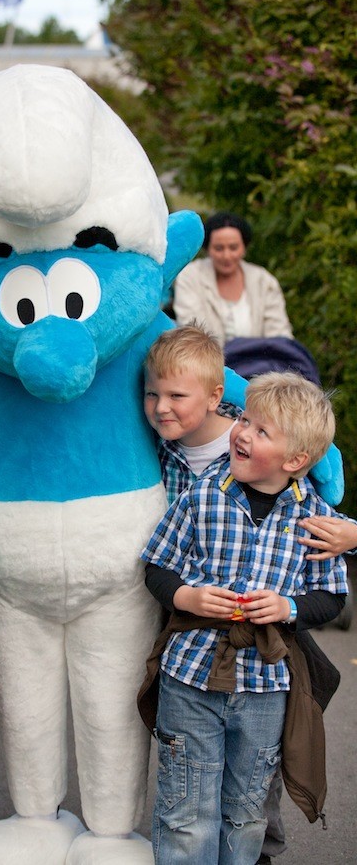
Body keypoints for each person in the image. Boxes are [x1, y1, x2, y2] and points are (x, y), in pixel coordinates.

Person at [140, 370, 348, 865]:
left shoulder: (314, 520)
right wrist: (186, 597)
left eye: (261, 430)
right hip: (190, 674)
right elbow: (157, 566)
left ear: (295, 460)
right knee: (186, 810)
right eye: (245, 420)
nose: (242, 432)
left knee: (246, 811)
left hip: (265, 686)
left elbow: (332, 596)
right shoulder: (202, 495)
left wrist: (289, 608)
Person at [173, 212, 293, 345]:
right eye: (219, 248)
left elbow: (279, 335)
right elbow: (192, 333)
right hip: (206, 357)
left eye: (233, 248)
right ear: (208, 249)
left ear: (244, 248)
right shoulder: (190, 277)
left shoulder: (263, 281)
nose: (227, 256)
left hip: (260, 358)